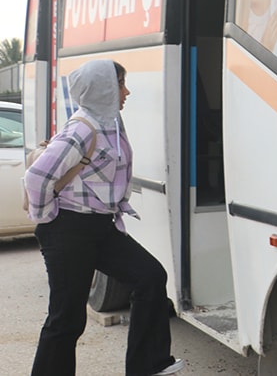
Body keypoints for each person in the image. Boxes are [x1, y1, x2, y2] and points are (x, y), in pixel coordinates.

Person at [24, 60, 183, 376]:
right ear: (104, 88)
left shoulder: (110, 121)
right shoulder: (82, 128)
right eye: (121, 84)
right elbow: (35, 178)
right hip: (68, 229)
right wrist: (48, 218)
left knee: (150, 276)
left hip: (100, 227)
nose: (127, 91)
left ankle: (147, 366)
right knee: (66, 319)